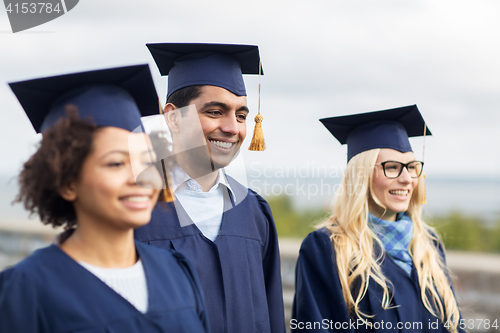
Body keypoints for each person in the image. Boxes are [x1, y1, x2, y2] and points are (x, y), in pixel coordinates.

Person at [0, 65, 209, 333]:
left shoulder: (177, 271)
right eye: (115, 163)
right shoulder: (25, 290)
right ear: (67, 182)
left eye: (147, 161)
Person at [134, 43, 286, 333]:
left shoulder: (254, 213)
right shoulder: (135, 208)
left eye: (241, 116)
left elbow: (273, 316)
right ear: (173, 117)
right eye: (216, 112)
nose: (233, 128)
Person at [292, 105, 464, 333]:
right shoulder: (327, 249)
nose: (406, 179)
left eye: (412, 167)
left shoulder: (427, 245)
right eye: (391, 167)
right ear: (361, 175)